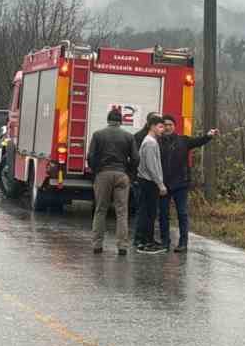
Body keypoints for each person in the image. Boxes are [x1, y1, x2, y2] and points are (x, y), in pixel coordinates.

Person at [155, 115, 218, 252]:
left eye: (170, 124)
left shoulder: (183, 140)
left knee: (182, 213)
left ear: (174, 126)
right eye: (165, 125)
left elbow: (199, 141)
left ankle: (183, 243)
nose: (167, 127)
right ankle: (165, 242)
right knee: (163, 215)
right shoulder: (157, 141)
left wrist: (209, 135)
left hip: (181, 184)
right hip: (163, 185)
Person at [88, 108, 136, 256]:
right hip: (121, 174)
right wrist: (129, 173)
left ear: (108, 120)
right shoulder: (128, 137)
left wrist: (96, 170)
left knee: (100, 210)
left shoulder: (98, 135)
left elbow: (90, 157)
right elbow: (136, 158)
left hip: (103, 174)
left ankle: (97, 245)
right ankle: (122, 246)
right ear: (120, 121)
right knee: (122, 212)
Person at [132, 118, 169, 254]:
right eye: (160, 127)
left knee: (149, 213)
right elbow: (151, 166)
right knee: (148, 213)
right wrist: (160, 184)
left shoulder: (151, 141)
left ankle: (148, 240)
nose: (163, 129)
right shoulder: (150, 143)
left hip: (148, 181)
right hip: (148, 182)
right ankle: (145, 242)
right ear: (152, 127)